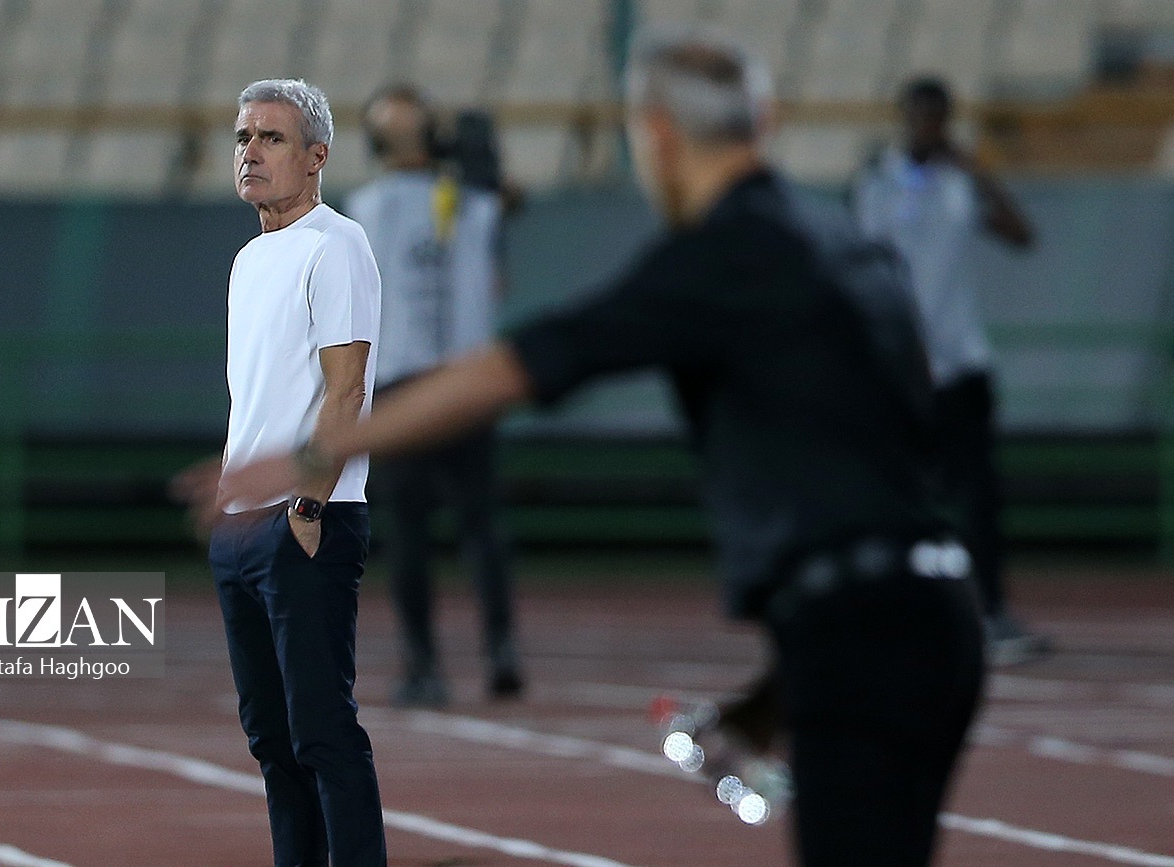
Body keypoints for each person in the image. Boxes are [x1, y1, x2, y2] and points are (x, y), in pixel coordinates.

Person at [218, 28, 986, 867]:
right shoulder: (846, 241)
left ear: (657, 134)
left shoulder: (716, 255)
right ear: (764, 121)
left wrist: (314, 456)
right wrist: (776, 692)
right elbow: (893, 473)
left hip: (862, 628)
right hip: (936, 610)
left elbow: (522, 364)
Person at [175, 78, 386, 866]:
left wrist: (307, 504)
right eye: (243, 138)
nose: (251, 152)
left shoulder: (337, 245)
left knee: (322, 732)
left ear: (316, 156)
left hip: (307, 519)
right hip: (243, 531)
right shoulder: (250, 258)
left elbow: (346, 389)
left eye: (271, 138)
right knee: (270, 738)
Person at [854, 77, 1049, 666]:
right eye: (920, 118)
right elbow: (858, 262)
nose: (929, 130)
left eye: (938, 119)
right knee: (893, 500)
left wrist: (979, 173)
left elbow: (1022, 236)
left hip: (962, 364)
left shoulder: (961, 181)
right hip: (900, 370)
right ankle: (892, 618)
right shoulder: (877, 183)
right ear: (904, 118)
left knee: (978, 501)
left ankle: (989, 614)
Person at [346, 84, 523, 707]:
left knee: (426, 531)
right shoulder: (466, 202)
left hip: (423, 383)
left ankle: (439, 662)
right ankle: (488, 650)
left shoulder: (376, 207)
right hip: (447, 380)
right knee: (463, 527)